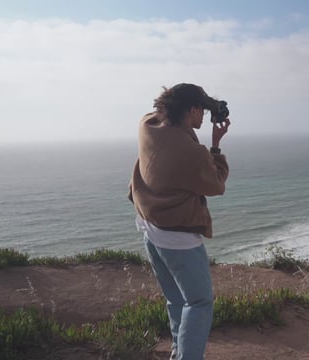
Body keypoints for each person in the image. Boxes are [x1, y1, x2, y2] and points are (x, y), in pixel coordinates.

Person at [127, 83, 230, 359]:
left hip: (150, 229)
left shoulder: (147, 126)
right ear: (193, 110)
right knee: (199, 302)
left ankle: (178, 353)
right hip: (178, 239)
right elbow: (216, 183)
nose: (203, 117)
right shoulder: (192, 153)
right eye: (202, 111)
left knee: (176, 299)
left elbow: (161, 114)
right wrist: (216, 146)